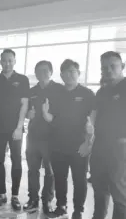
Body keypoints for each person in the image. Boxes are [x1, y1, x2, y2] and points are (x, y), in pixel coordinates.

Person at [45, 59, 95, 219]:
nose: (69, 74)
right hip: (58, 144)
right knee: (60, 178)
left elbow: (92, 122)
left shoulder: (87, 94)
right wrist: (45, 115)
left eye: (73, 71)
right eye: (66, 71)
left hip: (79, 145)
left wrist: (88, 143)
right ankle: (61, 205)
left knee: (79, 179)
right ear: (61, 75)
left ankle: (78, 210)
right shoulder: (56, 93)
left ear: (78, 74)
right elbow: (52, 117)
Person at [0, 49, 29, 210]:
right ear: (0, 61)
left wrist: (19, 127)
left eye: (10, 60)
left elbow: (24, 104)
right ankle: (2, 194)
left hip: (15, 127)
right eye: (4, 60)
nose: (7, 63)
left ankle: (15, 196)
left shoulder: (22, 80)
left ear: (14, 61)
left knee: (16, 160)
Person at [89, 51, 126, 219]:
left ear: (122, 67)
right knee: (99, 186)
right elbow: (94, 118)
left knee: (119, 191)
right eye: (105, 67)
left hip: (120, 148)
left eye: (113, 66)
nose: (109, 70)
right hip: (100, 147)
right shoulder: (102, 92)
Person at [23, 61, 61, 213]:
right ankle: (33, 199)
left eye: (45, 71)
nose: (42, 73)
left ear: (51, 72)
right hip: (33, 136)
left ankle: (47, 200)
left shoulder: (59, 90)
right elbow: (25, 111)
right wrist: (28, 115)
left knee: (50, 172)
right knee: (33, 170)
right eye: (39, 71)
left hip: (52, 138)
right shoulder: (32, 91)